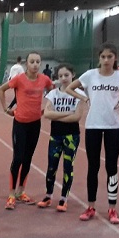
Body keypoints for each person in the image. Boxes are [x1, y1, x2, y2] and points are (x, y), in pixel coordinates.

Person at [65, 43, 119, 224]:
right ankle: (90, 206)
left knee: (111, 167)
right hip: (93, 125)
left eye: (109, 57)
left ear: (115, 58)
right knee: (93, 167)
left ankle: (112, 208)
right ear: (99, 58)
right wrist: (84, 98)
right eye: (103, 57)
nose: (106, 60)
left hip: (113, 126)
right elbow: (69, 88)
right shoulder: (90, 75)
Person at [0, 51, 53, 210]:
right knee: (18, 158)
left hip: (35, 124)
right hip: (20, 124)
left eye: (37, 62)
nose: (35, 65)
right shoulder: (19, 79)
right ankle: (11, 194)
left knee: (28, 158)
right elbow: (1, 90)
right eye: (32, 62)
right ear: (26, 64)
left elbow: (54, 92)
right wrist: (5, 108)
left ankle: (21, 191)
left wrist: (47, 109)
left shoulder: (45, 79)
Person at [38, 64, 83, 212]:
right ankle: (48, 195)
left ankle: (64, 198)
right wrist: (67, 114)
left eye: (66, 75)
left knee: (68, 167)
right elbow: (47, 114)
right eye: (60, 76)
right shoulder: (53, 94)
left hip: (71, 136)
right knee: (51, 166)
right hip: (55, 135)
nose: (63, 78)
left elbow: (77, 117)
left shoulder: (79, 94)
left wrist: (56, 116)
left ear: (73, 75)